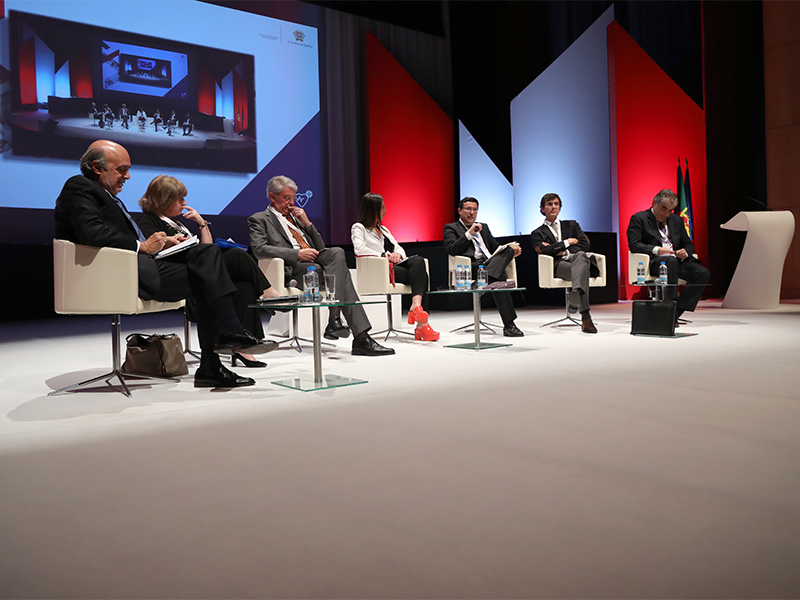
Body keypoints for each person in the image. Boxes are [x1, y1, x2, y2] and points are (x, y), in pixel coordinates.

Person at [55, 140, 276, 388]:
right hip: (126, 274)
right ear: (97, 167)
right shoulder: (79, 187)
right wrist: (142, 246)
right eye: (121, 170)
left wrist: (165, 244)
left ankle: (217, 356)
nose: (127, 176)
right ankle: (225, 340)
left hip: (145, 266)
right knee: (209, 271)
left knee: (213, 261)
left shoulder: (106, 195)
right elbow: (91, 232)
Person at [137, 174, 281, 368]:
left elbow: (207, 248)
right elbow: (153, 250)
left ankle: (244, 345)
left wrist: (201, 223)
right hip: (184, 274)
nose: (184, 203)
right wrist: (170, 242)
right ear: (164, 200)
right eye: (179, 199)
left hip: (202, 267)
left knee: (243, 284)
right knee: (236, 256)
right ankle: (267, 292)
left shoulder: (177, 223)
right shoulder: (148, 221)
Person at [248, 175, 395, 356]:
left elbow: (321, 247)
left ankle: (336, 321)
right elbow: (259, 248)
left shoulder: (296, 218)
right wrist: (297, 254)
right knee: (341, 277)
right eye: (287, 198)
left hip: (315, 260)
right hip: (294, 268)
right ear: (272, 197)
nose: (292, 203)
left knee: (337, 252)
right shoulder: (260, 219)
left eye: (293, 198)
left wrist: (308, 224)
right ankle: (358, 337)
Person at [351, 193, 439, 341]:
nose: (385, 211)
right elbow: (359, 249)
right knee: (422, 275)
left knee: (418, 262)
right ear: (373, 209)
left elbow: (399, 247)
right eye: (382, 208)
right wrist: (385, 255)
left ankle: (416, 306)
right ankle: (421, 324)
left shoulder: (384, 229)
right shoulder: (359, 228)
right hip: (379, 270)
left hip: (394, 266)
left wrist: (397, 255)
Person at [443, 197, 524, 337]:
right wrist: (469, 234)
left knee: (509, 249)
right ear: (459, 211)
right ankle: (509, 325)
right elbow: (452, 249)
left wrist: (511, 251)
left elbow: (495, 246)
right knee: (499, 279)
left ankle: (485, 280)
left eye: (475, 210)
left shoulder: (483, 227)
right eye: (468, 209)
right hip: (472, 268)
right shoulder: (451, 227)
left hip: (489, 264)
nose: (472, 213)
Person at [627, 189, 710, 322]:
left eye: (670, 210)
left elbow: (688, 243)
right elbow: (634, 244)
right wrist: (657, 250)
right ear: (654, 203)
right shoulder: (639, 218)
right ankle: (668, 309)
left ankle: (675, 312)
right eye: (663, 208)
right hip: (655, 262)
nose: (666, 214)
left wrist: (685, 252)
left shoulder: (676, 220)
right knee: (670, 262)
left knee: (702, 273)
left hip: (677, 260)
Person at [531, 193, 599, 333]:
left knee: (581, 255)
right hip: (559, 266)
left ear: (560, 207)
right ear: (542, 209)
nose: (553, 207)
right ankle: (586, 317)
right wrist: (567, 242)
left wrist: (559, 250)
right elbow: (544, 250)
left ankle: (576, 292)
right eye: (549, 204)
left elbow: (585, 244)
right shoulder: (537, 233)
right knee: (582, 270)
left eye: (556, 204)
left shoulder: (572, 225)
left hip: (577, 261)